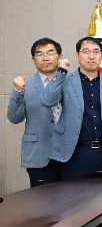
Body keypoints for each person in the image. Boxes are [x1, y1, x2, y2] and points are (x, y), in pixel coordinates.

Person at [41, 36, 102, 177]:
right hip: (74, 153)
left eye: (96, 51)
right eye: (86, 51)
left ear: (101, 55)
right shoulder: (65, 80)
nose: (91, 56)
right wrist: (60, 72)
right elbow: (47, 101)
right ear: (77, 55)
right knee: (73, 191)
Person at [7, 38, 64, 186]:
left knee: (74, 199)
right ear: (34, 60)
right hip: (39, 154)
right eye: (39, 54)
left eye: (50, 53)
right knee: (42, 199)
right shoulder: (25, 85)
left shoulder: (71, 82)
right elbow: (14, 118)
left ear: (59, 56)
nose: (45, 58)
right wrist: (17, 91)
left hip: (70, 154)